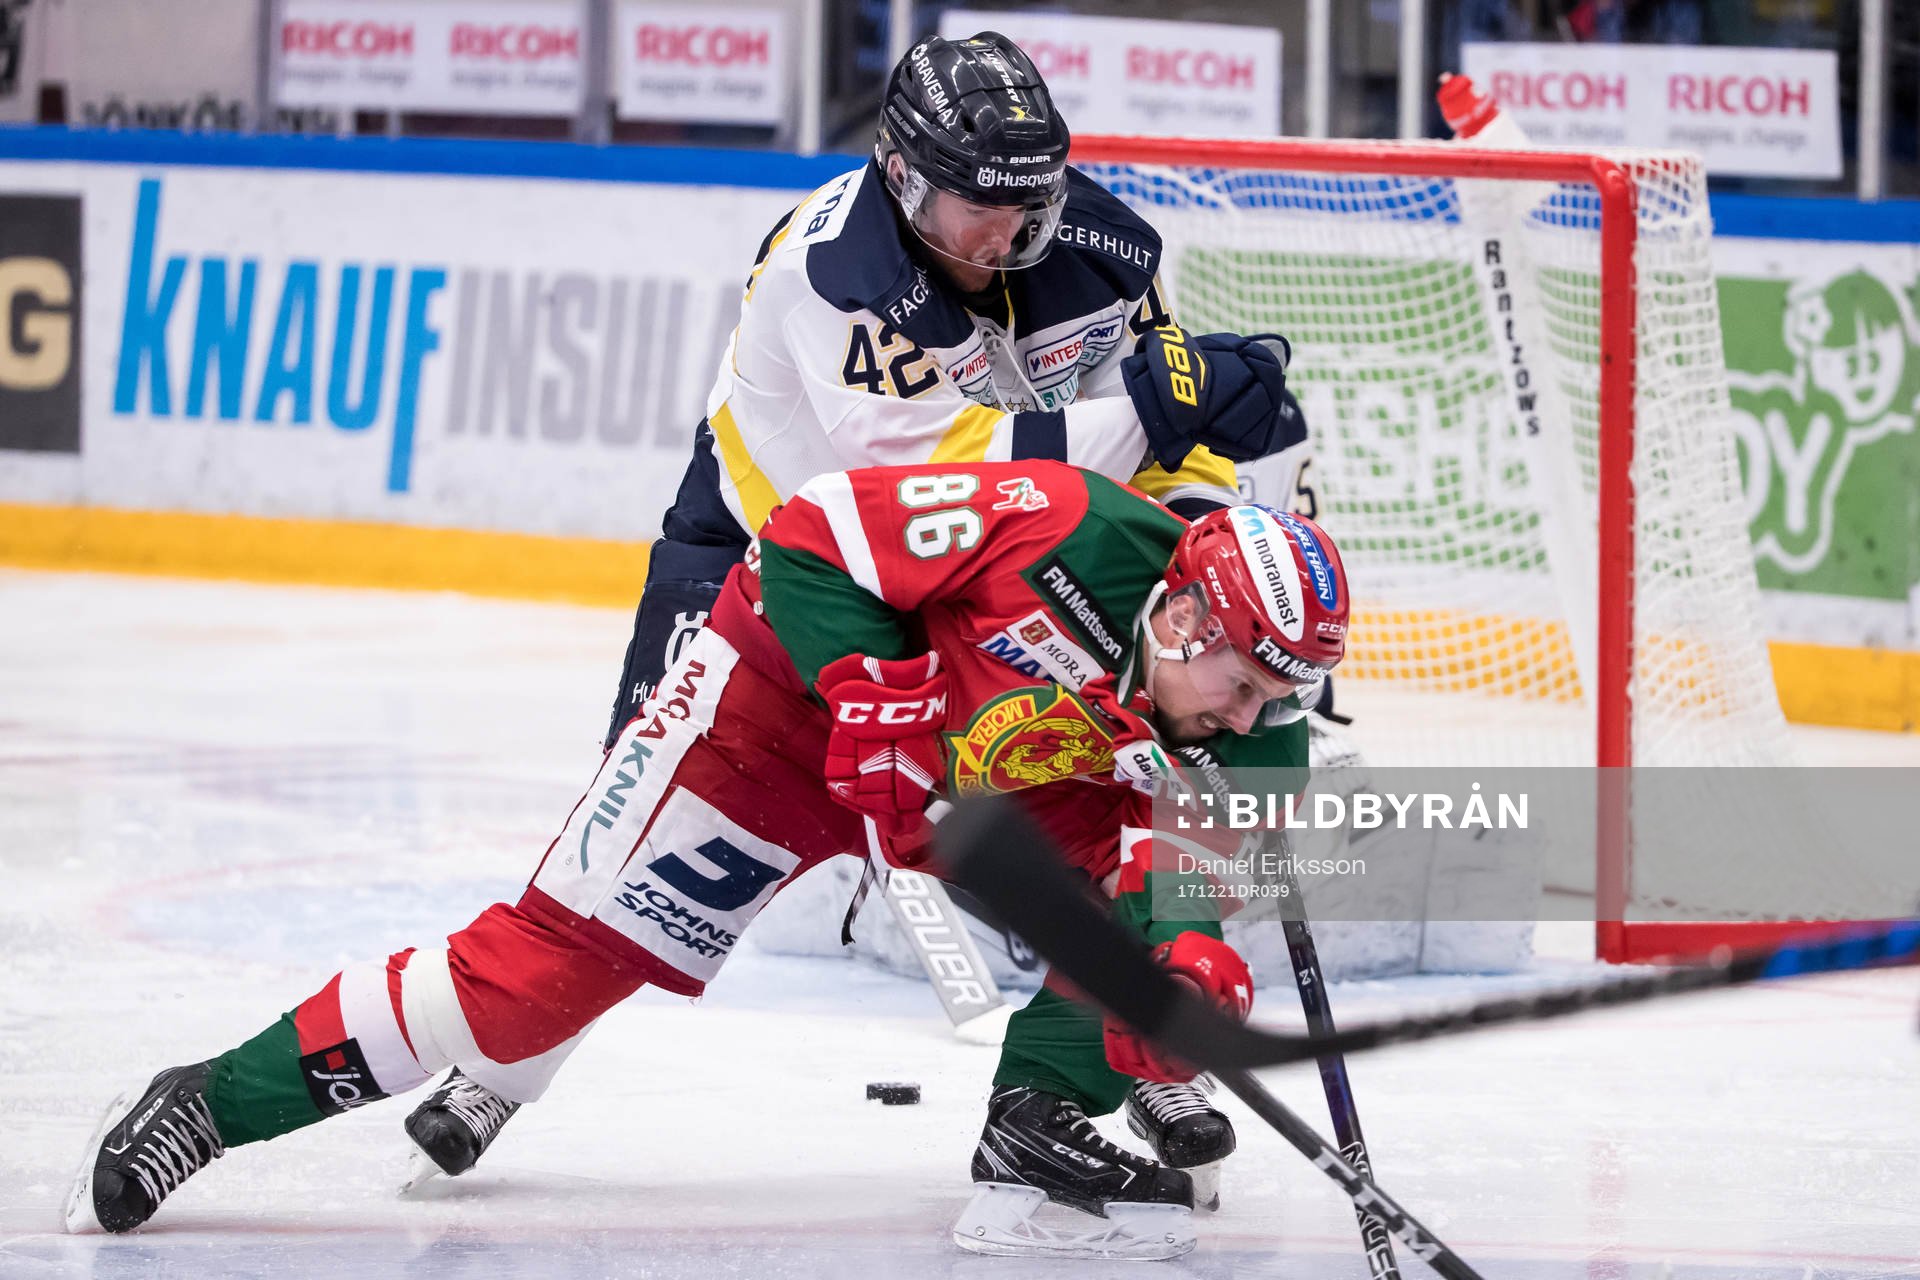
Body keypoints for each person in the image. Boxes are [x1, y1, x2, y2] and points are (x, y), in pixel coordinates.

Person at [392, 29, 1311, 1197]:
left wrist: (1225, 542)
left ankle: (1129, 1046)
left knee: (1120, 809)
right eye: (975, 206)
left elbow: (1147, 463)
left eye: (1028, 203)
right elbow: (940, 461)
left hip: (963, 572)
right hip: (776, 561)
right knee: (638, 842)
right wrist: (1148, 406)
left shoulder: (1105, 250)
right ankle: (503, 1067)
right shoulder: (829, 272)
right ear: (904, 177)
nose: (1005, 234)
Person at [68, 459, 1350, 1260]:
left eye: (1271, 703)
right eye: (1238, 687)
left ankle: (1034, 1120)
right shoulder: (1058, 527)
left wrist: (1168, 984)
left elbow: (1184, 879)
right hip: (777, 720)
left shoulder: (1259, 723)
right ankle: (209, 1099)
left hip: (971, 787)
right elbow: (807, 531)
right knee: (533, 984)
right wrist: (875, 690)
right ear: (1180, 611)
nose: (1250, 723)